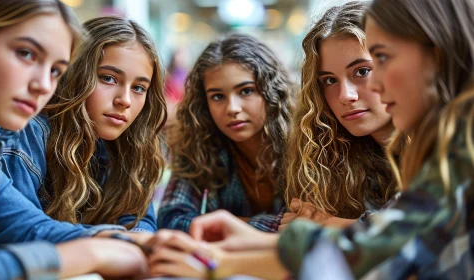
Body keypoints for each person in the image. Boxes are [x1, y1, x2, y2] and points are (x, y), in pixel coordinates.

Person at [148, 0, 474, 278]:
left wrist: (221, 262)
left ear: (438, 54)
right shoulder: (346, 149)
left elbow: (372, 251)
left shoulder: (456, 147)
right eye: (329, 80)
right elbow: (369, 243)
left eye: (372, 65)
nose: (349, 94)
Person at [0, 0, 148, 278]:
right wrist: (90, 254)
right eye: (27, 54)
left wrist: (138, 242)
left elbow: (31, 227)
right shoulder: (25, 137)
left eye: (56, 70)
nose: (44, 84)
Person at [0, 15, 167, 234]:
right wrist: (121, 243)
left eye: (138, 88)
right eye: (108, 78)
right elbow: (25, 234)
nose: (124, 100)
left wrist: (138, 242)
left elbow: (138, 222)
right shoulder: (29, 134)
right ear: (76, 74)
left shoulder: (129, 145)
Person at [158, 33, 292, 232]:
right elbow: (171, 218)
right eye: (218, 96)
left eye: (246, 91)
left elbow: (312, 226)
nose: (232, 108)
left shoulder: (305, 143)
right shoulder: (200, 142)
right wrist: (265, 225)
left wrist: (216, 224)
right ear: (205, 102)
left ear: (271, 91)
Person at [281, 1, 396, 230]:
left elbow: (413, 238)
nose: (345, 95)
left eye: (362, 71)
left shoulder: (443, 145)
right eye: (330, 80)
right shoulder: (337, 156)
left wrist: (327, 224)